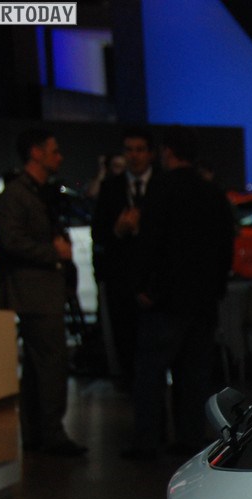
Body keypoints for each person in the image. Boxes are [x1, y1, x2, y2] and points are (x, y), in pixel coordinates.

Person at [123, 127, 234, 460]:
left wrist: (142, 286)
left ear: (167, 152)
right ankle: (189, 438)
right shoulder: (212, 192)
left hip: (166, 300)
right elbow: (224, 246)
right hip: (202, 300)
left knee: (151, 373)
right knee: (194, 376)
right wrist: (216, 288)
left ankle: (148, 440)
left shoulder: (161, 188)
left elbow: (151, 242)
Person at [0, 128, 86, 457]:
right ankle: (50, 433)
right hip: (34, 290)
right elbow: (11, 240)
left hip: (43, 289)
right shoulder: (18, 194)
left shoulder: (37, 193)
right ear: (35, 153)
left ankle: (38, 432)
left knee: (39, 366)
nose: (59, 157)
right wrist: (53, 253)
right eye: (53, 150)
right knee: (49, 362)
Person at [91, 126, 155, 385]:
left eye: (140, 150)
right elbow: (98, 233)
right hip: (122, 283)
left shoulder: (162, 185)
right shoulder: (111, 188)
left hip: (155, 282)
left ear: (150, 153)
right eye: (129, 150)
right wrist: (117, 231)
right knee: (126, 346)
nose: (134, 156)